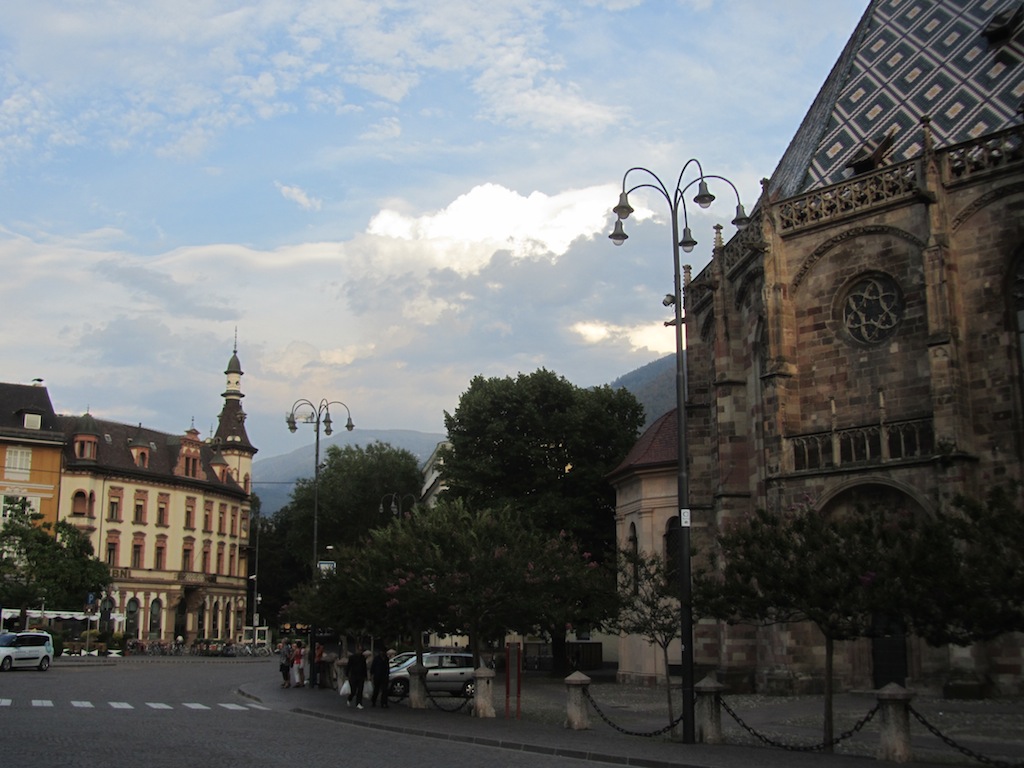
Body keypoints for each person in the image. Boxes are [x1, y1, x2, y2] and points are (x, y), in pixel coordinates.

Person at [345, 645, 368, 709]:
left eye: (361, 650)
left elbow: (364, 667)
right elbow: (348, 666)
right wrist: (347, 675)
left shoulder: (363, 658)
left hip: (361, 676)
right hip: (353, 676)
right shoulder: (352, 657)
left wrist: (365, 676)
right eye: (359, 650)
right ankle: (350, 698)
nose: (360, 652)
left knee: (360, 690)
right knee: (353, 690)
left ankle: (359, 703)